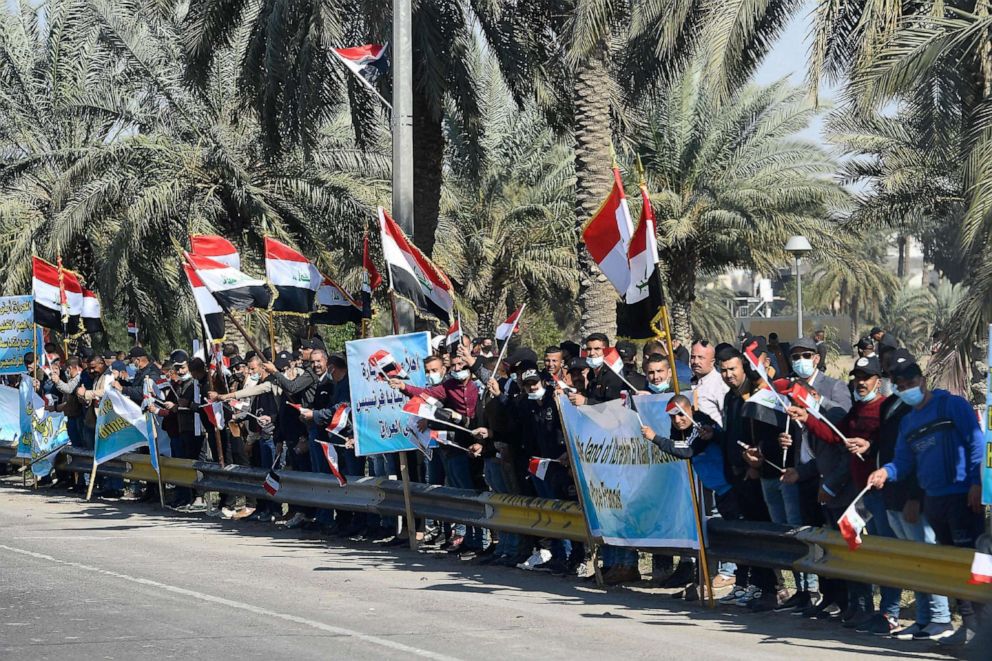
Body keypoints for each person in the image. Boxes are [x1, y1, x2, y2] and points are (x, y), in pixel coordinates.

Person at [867, 350, 986, 649]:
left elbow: (976, 443)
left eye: (909, 381)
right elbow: (903, 463)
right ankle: (969, 627)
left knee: (973, 566)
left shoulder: (952, 405)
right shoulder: (909, 423)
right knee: (950, 569)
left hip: (962, 498)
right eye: (899, 384)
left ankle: (984, 630)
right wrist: (885, 471)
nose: (905, 387)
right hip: (935, 502)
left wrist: (976, 484)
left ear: (922, 379)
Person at [689, 340, 729, 426]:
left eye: (701, 357)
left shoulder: (720, 384)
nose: (695, 361)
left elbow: (727, 419)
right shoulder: (691, 383)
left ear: (712, 362)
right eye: (693, 357)